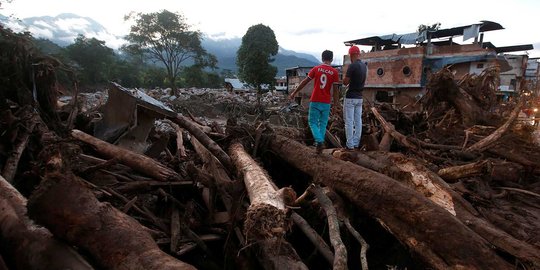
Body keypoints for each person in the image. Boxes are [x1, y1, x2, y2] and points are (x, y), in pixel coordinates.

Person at [289, 50, 339, 154]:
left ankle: (319, 141)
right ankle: (319, 145)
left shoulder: (316, 69)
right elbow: (336, 90)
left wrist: (294, 92)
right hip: (326, 102)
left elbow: (304, 82)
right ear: (332, 59)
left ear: (322, 58)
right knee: (323, 124)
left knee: (312, 122)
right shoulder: (334, 72)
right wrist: (335, 104)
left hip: (315, 100)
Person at [343, 45, 367, 150]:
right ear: (358, 54)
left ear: (351, 55)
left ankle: (350, 145)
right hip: (359, 97)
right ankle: (356, 143)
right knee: (358, 121)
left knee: (349, 121)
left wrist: (344, 80)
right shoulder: (364, 66)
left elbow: (345, 82)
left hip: (351, 97)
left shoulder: (352, 66)